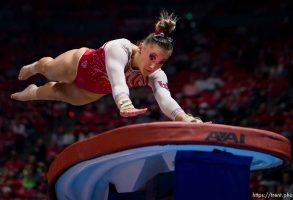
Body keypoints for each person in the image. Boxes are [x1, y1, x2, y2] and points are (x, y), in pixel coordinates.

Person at [11, 11, 203, 123]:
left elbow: (165, 100)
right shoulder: (120, 47)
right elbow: (117, 79)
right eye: (152, 57)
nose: (154, 65)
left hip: (92, 91)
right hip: (78, 64)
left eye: (161, 62)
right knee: (50, 69)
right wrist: (124, 103)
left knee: (56, 93)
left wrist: (184, 118)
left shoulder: (156, 75)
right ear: (142, 47)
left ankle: (31, 92)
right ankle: (37, 66)